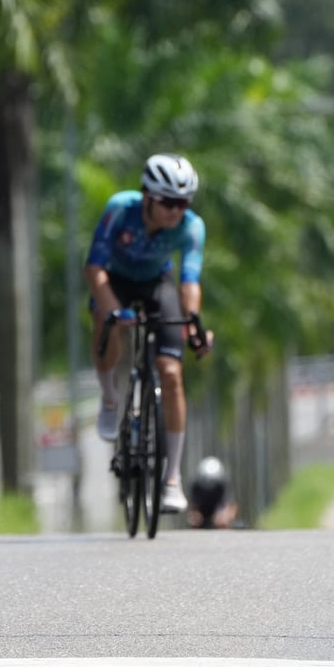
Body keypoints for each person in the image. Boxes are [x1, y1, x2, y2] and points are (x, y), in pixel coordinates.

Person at [84, 153, 211, 514]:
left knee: (171, 374)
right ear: (147, 196)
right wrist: (112, 309)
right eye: (169, 202)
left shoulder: (191, 226)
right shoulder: (119, 209)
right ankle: (110, 399)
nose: (176, 211)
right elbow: (94, 268)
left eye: (182, 203)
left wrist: (193, 322)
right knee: (104, 322)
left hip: (157, 284)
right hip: (115, 279)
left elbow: (190, 282)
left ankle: (171, 479)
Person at [187, 456, 238, 529]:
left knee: (223, 523)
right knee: (195, 523)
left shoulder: (224, 484)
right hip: (202, 510)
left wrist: (225, 517)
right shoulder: (196, 485)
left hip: (219, 509)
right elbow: (193, 508)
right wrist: (195, 517)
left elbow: (231, 506)